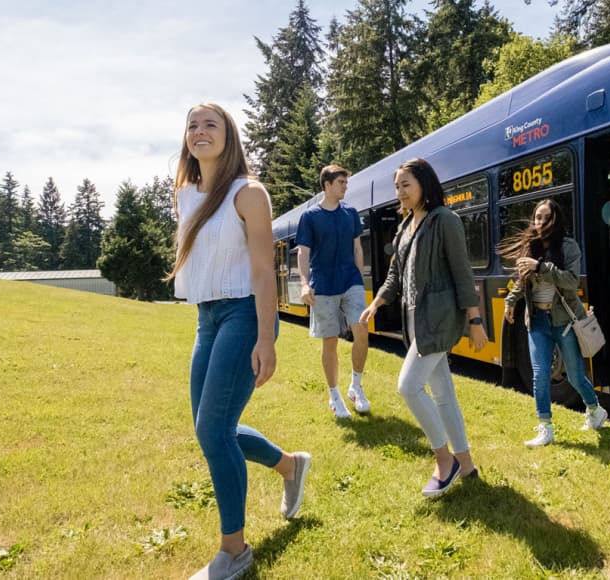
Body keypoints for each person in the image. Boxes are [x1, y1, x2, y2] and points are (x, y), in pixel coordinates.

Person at [168, 103, 311, 580]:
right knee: (211, 429)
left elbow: (262, 270)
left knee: (213, 431)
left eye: (211, 124)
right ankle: (290, 465)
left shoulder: (248, 194)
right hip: (206, 318)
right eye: (192, 125)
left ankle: (234, 550)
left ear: (229, 137)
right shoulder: (185, 194)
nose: (199, 131)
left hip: (242, 315)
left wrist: (267, 338)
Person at [359, 158, 487, 497]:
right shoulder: (404, 227)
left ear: (424, 186)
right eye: (397, 186)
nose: (399, 192)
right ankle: (468, 465)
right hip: (414, 320)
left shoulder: (445, 220)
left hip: (439, 320)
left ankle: (444, 460)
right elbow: (394, 276)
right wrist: (377, 303)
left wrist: (474, 321)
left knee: (408, 387)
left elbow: (463, 274)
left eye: (406, 185)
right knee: (443, 395)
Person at [500, 199, 608, 447]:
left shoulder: (569, 247)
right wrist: (510, 301)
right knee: (540, 375)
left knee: (575, 377)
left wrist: (541, 266)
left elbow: (571, 281)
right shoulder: (531, 246)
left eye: (545, 217)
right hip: (537, 321)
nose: (539, 222)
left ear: (556, 219)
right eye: (537, 217)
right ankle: (545, 427)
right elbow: (521, 281)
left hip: (564, 321)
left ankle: (595, 410)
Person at [296, 165, 371, 419]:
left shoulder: (350, 213)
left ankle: (356, 387)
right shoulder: (310, 216)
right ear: (327, 185)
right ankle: (334, 395)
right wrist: (305, 284)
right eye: (341, 182)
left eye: (345, 182)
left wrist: (359, 279)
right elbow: (303, 253)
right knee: (331, 341)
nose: (345, 186)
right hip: (323, 286)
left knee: (361, 330)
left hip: (350, 281)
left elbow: (357, 248)